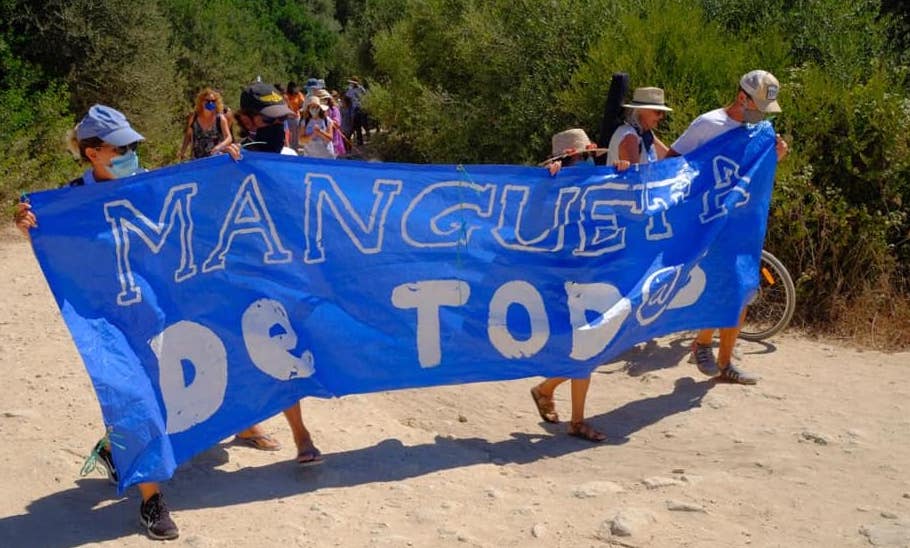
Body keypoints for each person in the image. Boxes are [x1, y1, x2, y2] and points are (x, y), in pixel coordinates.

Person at [14, 105, 179, 540]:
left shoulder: (149, 185)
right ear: (93, 153)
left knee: (156, 397)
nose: (132, 152)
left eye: (133, 145)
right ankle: (151, 501)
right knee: (134, 397)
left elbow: (199, 210)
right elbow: (55, 249)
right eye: (122, 147)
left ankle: (112, 448)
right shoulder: (69, 201)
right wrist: (32, 227)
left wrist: (232, 165)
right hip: (103, 321)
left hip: (152, 313)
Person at [666, 70, 790, 385]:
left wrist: (776, 156)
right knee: (723, 288)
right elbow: (671, 161)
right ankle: (705, 343)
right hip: (710, 223)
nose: (761, 114)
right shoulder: (708, 124)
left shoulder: (759, 130)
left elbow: (755, 170)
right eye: (757, 106)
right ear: (741, 98)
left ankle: (723, 362)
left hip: (742, 224)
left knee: (745, 289)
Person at [227, 82, 325, 465]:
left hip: (283, 275)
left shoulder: (289, 156)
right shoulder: (229, 161)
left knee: (285, 350)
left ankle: (301, 435)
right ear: (248, 121)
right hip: (240, 277)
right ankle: (253, 425)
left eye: (282, 118)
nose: (278, 126)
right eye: (268, 120)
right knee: (243, 352)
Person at [530, 128, 609, 443]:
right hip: (565, 277)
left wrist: (622, 172)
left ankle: (547, 390)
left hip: (591, 272)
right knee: (585, 347)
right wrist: (546, 184)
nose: (589, 160)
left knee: (590, 347)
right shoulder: (549, 184)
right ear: (576, 155)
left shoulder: (595, 179)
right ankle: (573, 417)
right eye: (585, 155)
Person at [607, 87, 672, 170]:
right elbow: (634, 176)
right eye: (658, 112)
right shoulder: (629, 137)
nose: (661, 116)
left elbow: (669, 157)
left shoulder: (646, 134)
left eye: (663, 112)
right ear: (641, 111)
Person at [179, 88, 233, 161]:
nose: (210, 103)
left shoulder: (220, 119)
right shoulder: (194, 118)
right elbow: (188, 135)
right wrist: (183, 151)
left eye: (213, 101)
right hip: (196, 160)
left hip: (214, 159)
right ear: (201, 101)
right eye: (207, 100)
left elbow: (229, 138)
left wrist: (219, 147)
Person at [298, 94, 336, 159]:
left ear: (320, 108)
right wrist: (313, 134)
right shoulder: (304, 121)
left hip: (326, 156)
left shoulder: (327, 120)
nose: (314, 109)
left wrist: (320, 132)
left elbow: (330, 138)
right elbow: (301, 140)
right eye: (312, 107)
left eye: (316, 107)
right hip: (310, 156)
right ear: (308, 108)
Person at [345, 77, 367, 146]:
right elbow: (347, 97)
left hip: (360, 108)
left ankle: (359, 140)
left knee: (359, 125)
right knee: (355, 125)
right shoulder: (350, 89)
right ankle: (356, 140)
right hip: (353, 109)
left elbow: (365, 96)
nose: (352, 83)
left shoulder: (361, 88)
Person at [285, 81, 306, 152]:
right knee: (288, 134)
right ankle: (288, 149)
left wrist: (300, 109)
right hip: (287, 117)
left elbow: (303, 104)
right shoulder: (286, 95)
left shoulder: (299, 94)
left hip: (296, 117)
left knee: (295, 136)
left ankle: (295, 150)